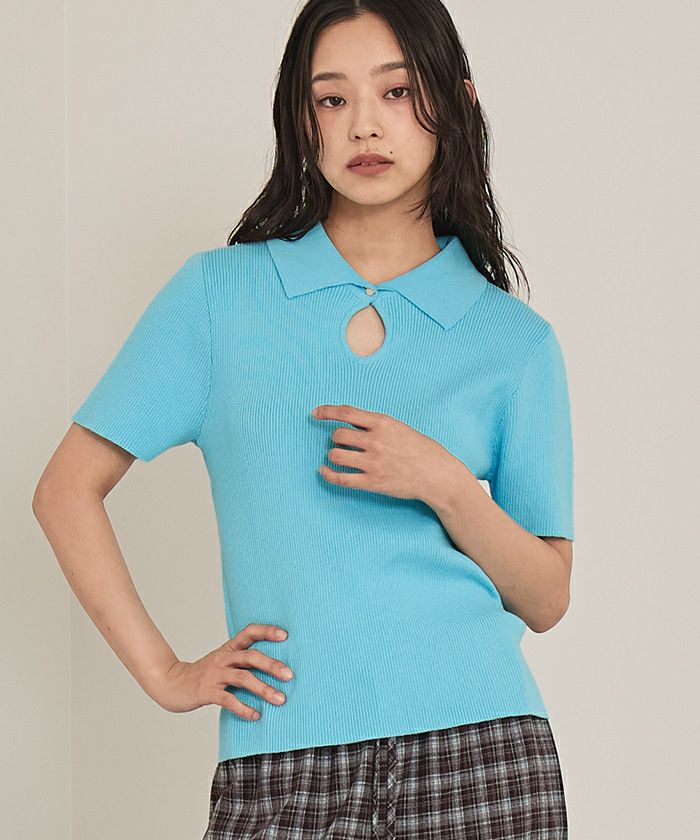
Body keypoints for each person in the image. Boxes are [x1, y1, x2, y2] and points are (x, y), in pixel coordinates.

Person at [33, 1, 574, 837]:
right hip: (283, 758)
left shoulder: (514, 341)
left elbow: (546, 597)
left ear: (457, 101)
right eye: (331, 98)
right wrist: (167, 673)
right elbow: (65, 491)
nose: (364, 124)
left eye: (397, 91)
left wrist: (445, 486)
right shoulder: (218, 297)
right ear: (301, 118)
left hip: (482, 755)